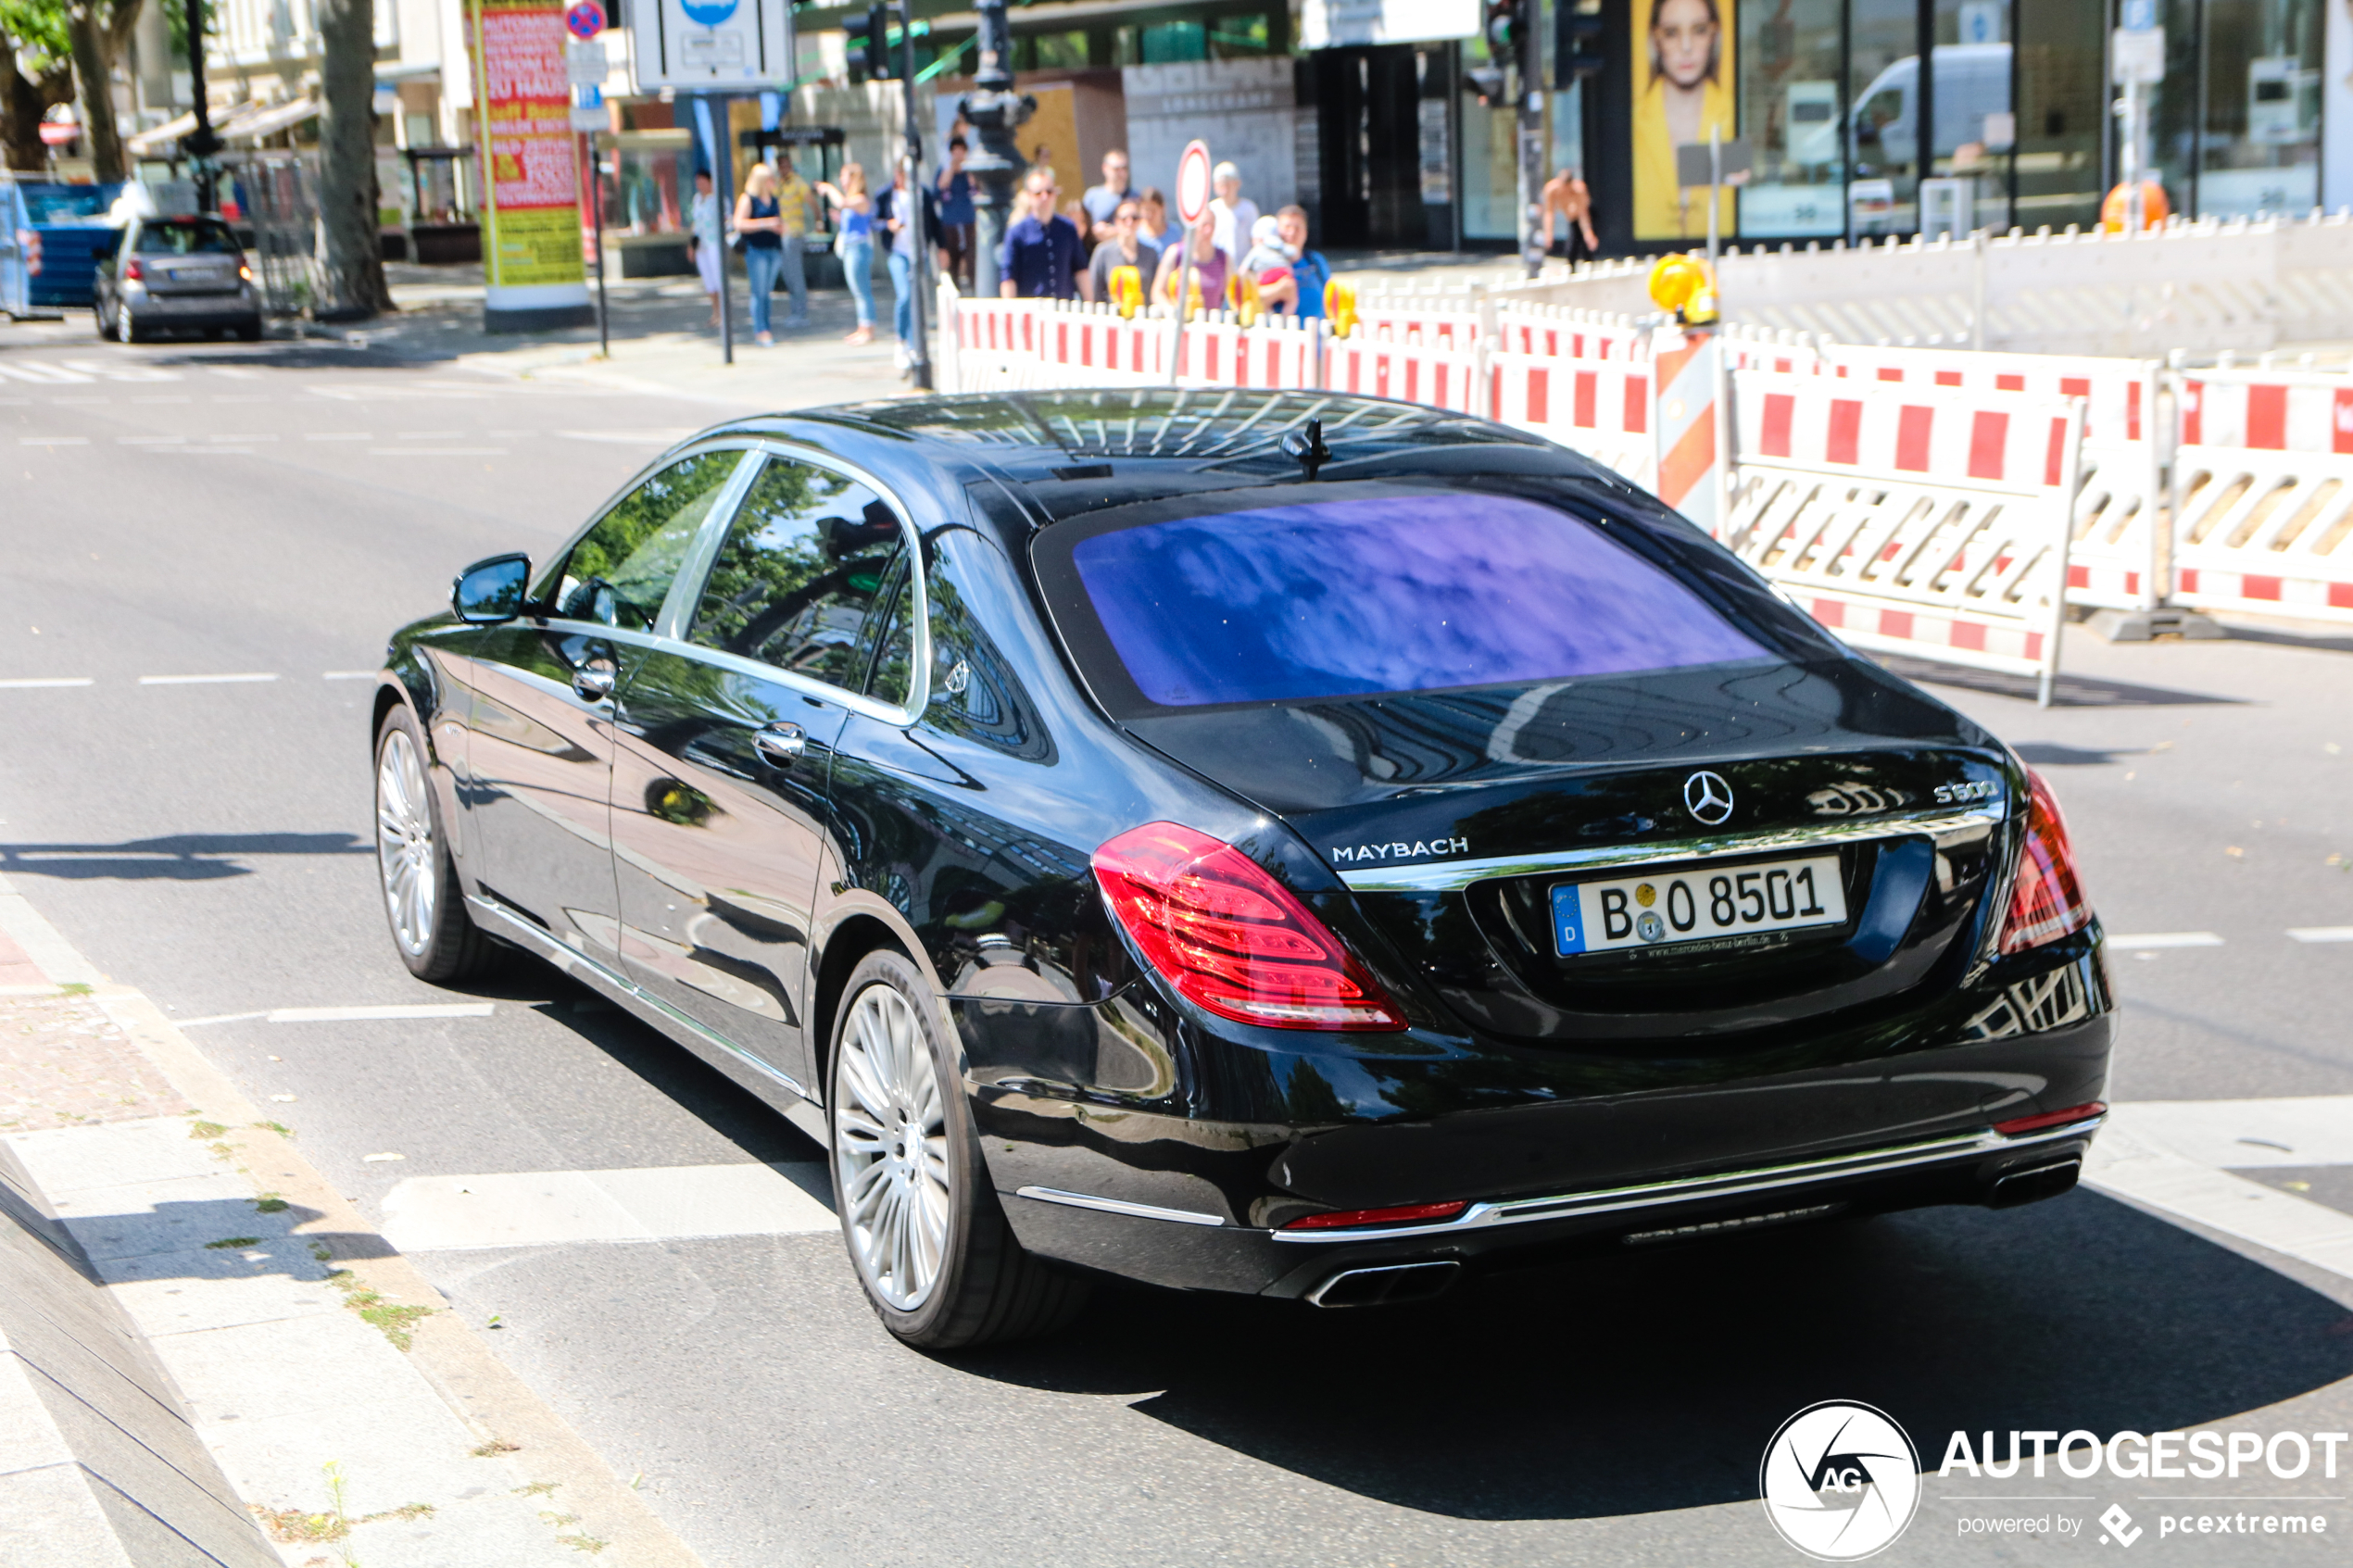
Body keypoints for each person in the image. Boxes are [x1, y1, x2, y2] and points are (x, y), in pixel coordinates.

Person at [1634, 0, 1734, 240]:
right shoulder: (1631, 122)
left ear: (1714, 35)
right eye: (1671, 33)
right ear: (1655, 39)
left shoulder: (1735, 118)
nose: (1686, 47)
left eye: (1699, 30)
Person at [997, 168, 1087, 301]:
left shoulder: (1068, 228)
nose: (1045, 197)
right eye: (1038, 193)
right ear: (1029, 196)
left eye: (1049, 192)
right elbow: (1008, 277)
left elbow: (1081, 270)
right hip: (1032, 313)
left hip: (1063, 310)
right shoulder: (1016, 232)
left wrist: (1090, 304)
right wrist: (1011, 312)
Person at [875, 161, 928, 370]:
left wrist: (940, 247)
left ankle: (915, 343)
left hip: (919, 252)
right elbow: (874, 220)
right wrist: (888, 225)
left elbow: (932, 220)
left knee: (918, 298)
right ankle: (901, 341)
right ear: (897, 174)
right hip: (898, 252)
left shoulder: (922, 193)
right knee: (904, 295)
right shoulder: (885, 194)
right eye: (903, 173)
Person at [817, 162, 877, 344]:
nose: (842, 180)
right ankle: (862, 327)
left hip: (858, 249)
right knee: (857, 291)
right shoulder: (854, 201)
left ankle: (869, 330)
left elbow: (842, 202)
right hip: (850, 248)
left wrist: (828, 188)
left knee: (862, 291)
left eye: (844, 176)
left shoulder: (860, 199)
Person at [732, 162, 786, 347]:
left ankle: (767, 328)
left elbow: (778, 222)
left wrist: (779, 228)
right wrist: (766, 223)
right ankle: (760, 330)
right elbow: (739, 223)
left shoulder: (774, 199)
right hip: (756, 250)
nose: (774, 181)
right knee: (759, 291)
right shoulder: (748, 199)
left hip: (774, 248)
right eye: (771, 178)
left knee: (767, 292)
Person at [1086, 196, 1160, 307]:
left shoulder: (1151, 253)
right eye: (1124, 218)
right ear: (1116, 222)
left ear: (1139, 221)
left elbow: (1156, 292)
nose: (1129, 222)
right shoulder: (1103, 252)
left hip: (1143, 319)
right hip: (1111, 319)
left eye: (1134, 218)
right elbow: (1093, 291)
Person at [1151, 210, 1227, 315]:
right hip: (1181, 323)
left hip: (1211, 326)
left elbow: (1231, 292)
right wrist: (1170, 311)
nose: (1208, 230)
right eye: (1204, 225)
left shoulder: (1223, 257)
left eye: (1212, 225)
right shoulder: (1176, 253)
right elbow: (1157, 291)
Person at [772, 158, 816, 328]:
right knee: (788, 274)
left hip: (794, 233)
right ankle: (795, 311)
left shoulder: (798, 183)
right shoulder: (779, 184)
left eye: (786, 165)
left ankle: (801, 312)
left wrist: (819, 222)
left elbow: (811, 201)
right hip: (782, 233)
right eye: (781, 166)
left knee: (795, 274)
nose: (784, 169)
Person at [1276, 205, 1330, 319]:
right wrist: (1277, 289)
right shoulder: (1266, 264)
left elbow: (1331, 293)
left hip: (1317, 333)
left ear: (1305, 233)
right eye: (1287, 227)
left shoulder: (1316, 261)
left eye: (1297, 228)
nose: (1292, 232)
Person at [936, 135, 975, 288]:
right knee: (953, 260)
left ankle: (974, 290)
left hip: (968, 221)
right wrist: (950, 170)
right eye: (955, 150)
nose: (958, 154)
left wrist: (968, 169)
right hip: (950, 223)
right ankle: (954, 291)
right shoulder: (944, 169)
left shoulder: (970, 169)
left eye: (961, 150)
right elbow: (938, 191)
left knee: (971, 259)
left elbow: (977, 189)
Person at [1206, 161, 1259, 275]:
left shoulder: (1248, 209)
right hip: (1218, 271)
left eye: (1228, 184)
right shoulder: (1210, 209)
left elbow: (1256, 241)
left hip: (1243, 271)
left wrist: (1247, 265)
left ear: (1237, 184)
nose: (1225, 189)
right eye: (1221, 185)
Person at [1238, 214, 1297, 313]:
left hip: (1266, 276)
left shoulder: (1257, 249)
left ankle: (1268, 314)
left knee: (1261, 302)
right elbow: (1293, 252)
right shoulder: (1280, 246)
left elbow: (1243, 270)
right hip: (1284, 274)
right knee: (1292, 300)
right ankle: (1285, 318)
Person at [1542, 166, 1600, 262]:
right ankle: (1571, 268)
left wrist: (1588, 234)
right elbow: (1549, 212)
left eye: (1568, 190)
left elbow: (1583, 215)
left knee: (1586, 246)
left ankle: (1588, 264)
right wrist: (1548, 233)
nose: (1566, 192)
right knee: (1572, 247)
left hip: (1586, 216)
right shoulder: (1551, 190)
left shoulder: (1579, 190)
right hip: (1573, 218)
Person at [688, 170, 724, 328]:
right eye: (697, 181)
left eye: (702, 181)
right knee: (708, 280)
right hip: (701, 245)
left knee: (718, 278)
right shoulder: (697, 200)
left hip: (714, 242)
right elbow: (695, 223)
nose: (699, 185)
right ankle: (715, 312)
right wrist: (691, 244)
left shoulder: (717, 200)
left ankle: (723, 313)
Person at [1081, 148, 1135, 246]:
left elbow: (1143, 229)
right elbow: (1082, 227)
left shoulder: (1135, 198)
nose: (1121, 173)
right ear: (1105, 168)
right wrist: (1095, 231)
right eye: (1116, 169)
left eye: (1124, 168)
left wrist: (1115, 231)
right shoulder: (1092, 196)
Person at [1136, 187, 1172, 251]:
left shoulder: (1175, 233)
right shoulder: (1135, 234)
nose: (1150, 215)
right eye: (1146, 210)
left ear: (1162, 209)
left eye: (1153, 210)